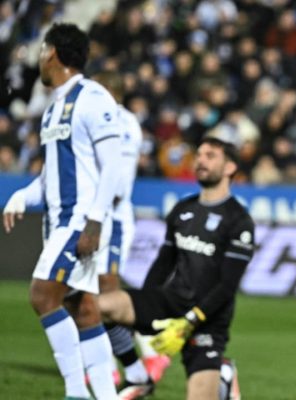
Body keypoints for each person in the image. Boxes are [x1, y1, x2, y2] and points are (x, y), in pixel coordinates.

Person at [2, 23, 121, 399]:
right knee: (83, 309)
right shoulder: (53, 109)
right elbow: (51, 176)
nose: (39, 57)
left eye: (41, 50)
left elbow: (113, 165)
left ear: (52, 53)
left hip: (80, 220)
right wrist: (23, 196)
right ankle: (106, 394)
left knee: (42, 296)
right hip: (58, 222)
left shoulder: (93, 97)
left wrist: (96, 222)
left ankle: (76, 392)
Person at [99, 137, 254, 400]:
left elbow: (228, 286)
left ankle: (223, 373)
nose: (200, 160)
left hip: (207, 320)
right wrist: (144, 305)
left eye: (210, 155)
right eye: (199, 154)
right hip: (170, 302)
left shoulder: (238, 220)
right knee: (97, 306)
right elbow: (163, 262)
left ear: (230, 167)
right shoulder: (184, 208)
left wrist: (189, 322)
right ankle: (138, 376)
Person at [92, 71, 163, 398]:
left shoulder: (119, 122)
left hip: (112, 217)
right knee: (93, 294)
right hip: (101, 215)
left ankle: (143, 354)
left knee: (106, 295)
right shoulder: (124, 121)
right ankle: (130, 359)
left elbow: (118, 178)